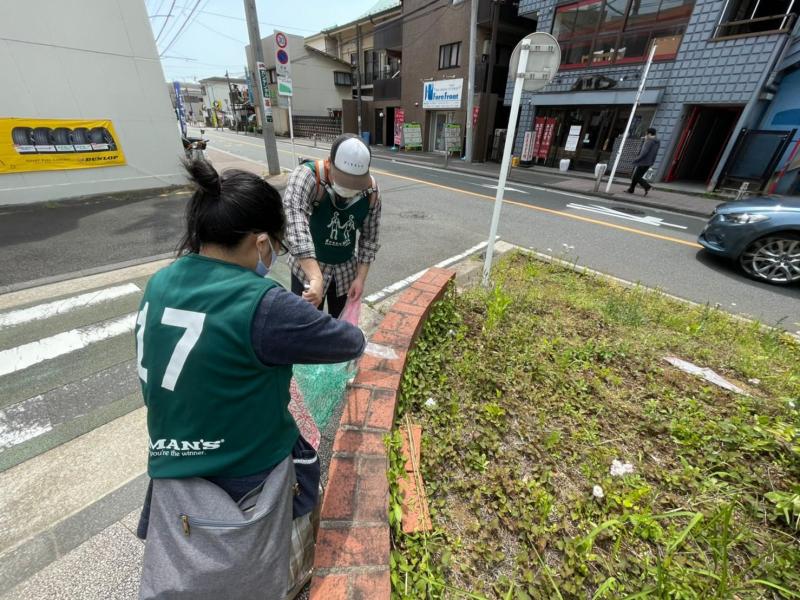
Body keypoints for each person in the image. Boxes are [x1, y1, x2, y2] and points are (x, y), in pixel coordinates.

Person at [135, 159, 365, 599]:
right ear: (261, 243)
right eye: (276, 245)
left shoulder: (160, 283)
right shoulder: (262, 302)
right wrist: (303, 314)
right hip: (246, 471)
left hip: (171, 468)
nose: (273, 255)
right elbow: (347, 341)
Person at [283, 134, 381, 317]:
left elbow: (369, 238)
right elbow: (294, 223)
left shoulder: (371, 191)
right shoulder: (307, 176)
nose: (349, 190)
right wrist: (315, 276)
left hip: (345, 271)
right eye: (344, 181)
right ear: (329, 163)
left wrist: (360, 278)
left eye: (356, 184)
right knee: (305, 324)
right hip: (307, 271)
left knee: (340, 324)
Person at [627, 127, 660, 196]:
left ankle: (647, 186)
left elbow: (644, 152)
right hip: (649, 162)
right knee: (636, 176)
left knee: (637, 177)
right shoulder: (657, 142)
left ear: (649, 134)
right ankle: (631, 189)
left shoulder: (649, 141)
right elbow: (655, 153)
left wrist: (636, 159)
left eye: (646, 133)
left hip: (643, 161)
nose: (645, 135)